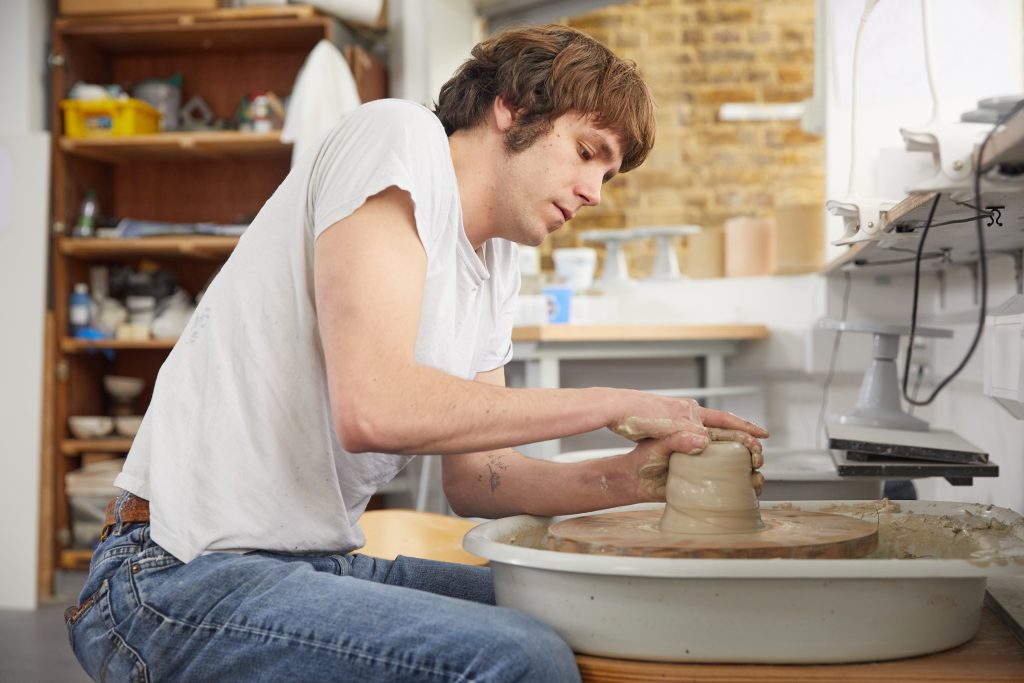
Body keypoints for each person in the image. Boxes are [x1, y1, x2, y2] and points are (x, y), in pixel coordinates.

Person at [67, 24, 768, 682]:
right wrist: (618, 401)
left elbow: (479, 478)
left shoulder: (497, 262)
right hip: (170, 575)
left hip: (312, 564)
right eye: (588, 153)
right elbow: (374, 407)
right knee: (522, 657)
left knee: (591, 610)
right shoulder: (396, 139)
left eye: (610, 176)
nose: (594, 193)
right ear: (511, 107)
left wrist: (633, 476)